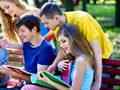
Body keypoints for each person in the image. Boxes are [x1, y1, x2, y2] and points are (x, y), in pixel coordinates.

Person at [39, 2, 113, 90]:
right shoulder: (58, 27)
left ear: (56, 18)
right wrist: (54, 64)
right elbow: (64, 47)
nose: (45, 26)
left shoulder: (82, 19)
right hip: (85, 61)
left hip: (102, 57)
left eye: (46, 23)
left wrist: (97, 81)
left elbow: (97, 50)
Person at [21, 23, 95, 90]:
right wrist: (58, 67)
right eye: (60, 43)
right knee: (27, 88)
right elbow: (67, 79)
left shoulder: (81, 60)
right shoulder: (74, 58)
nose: (61, 46)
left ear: (73, 39)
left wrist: (49, 81)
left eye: (64, 41)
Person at [0, 15, 56, 89]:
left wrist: (14, 74)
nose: (20, 34)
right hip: (24, 85)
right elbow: (29, 69)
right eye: (19, 31)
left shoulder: (46, 49)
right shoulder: (27, 44)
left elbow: (40, 80)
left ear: (34, 29)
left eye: (22, 31)